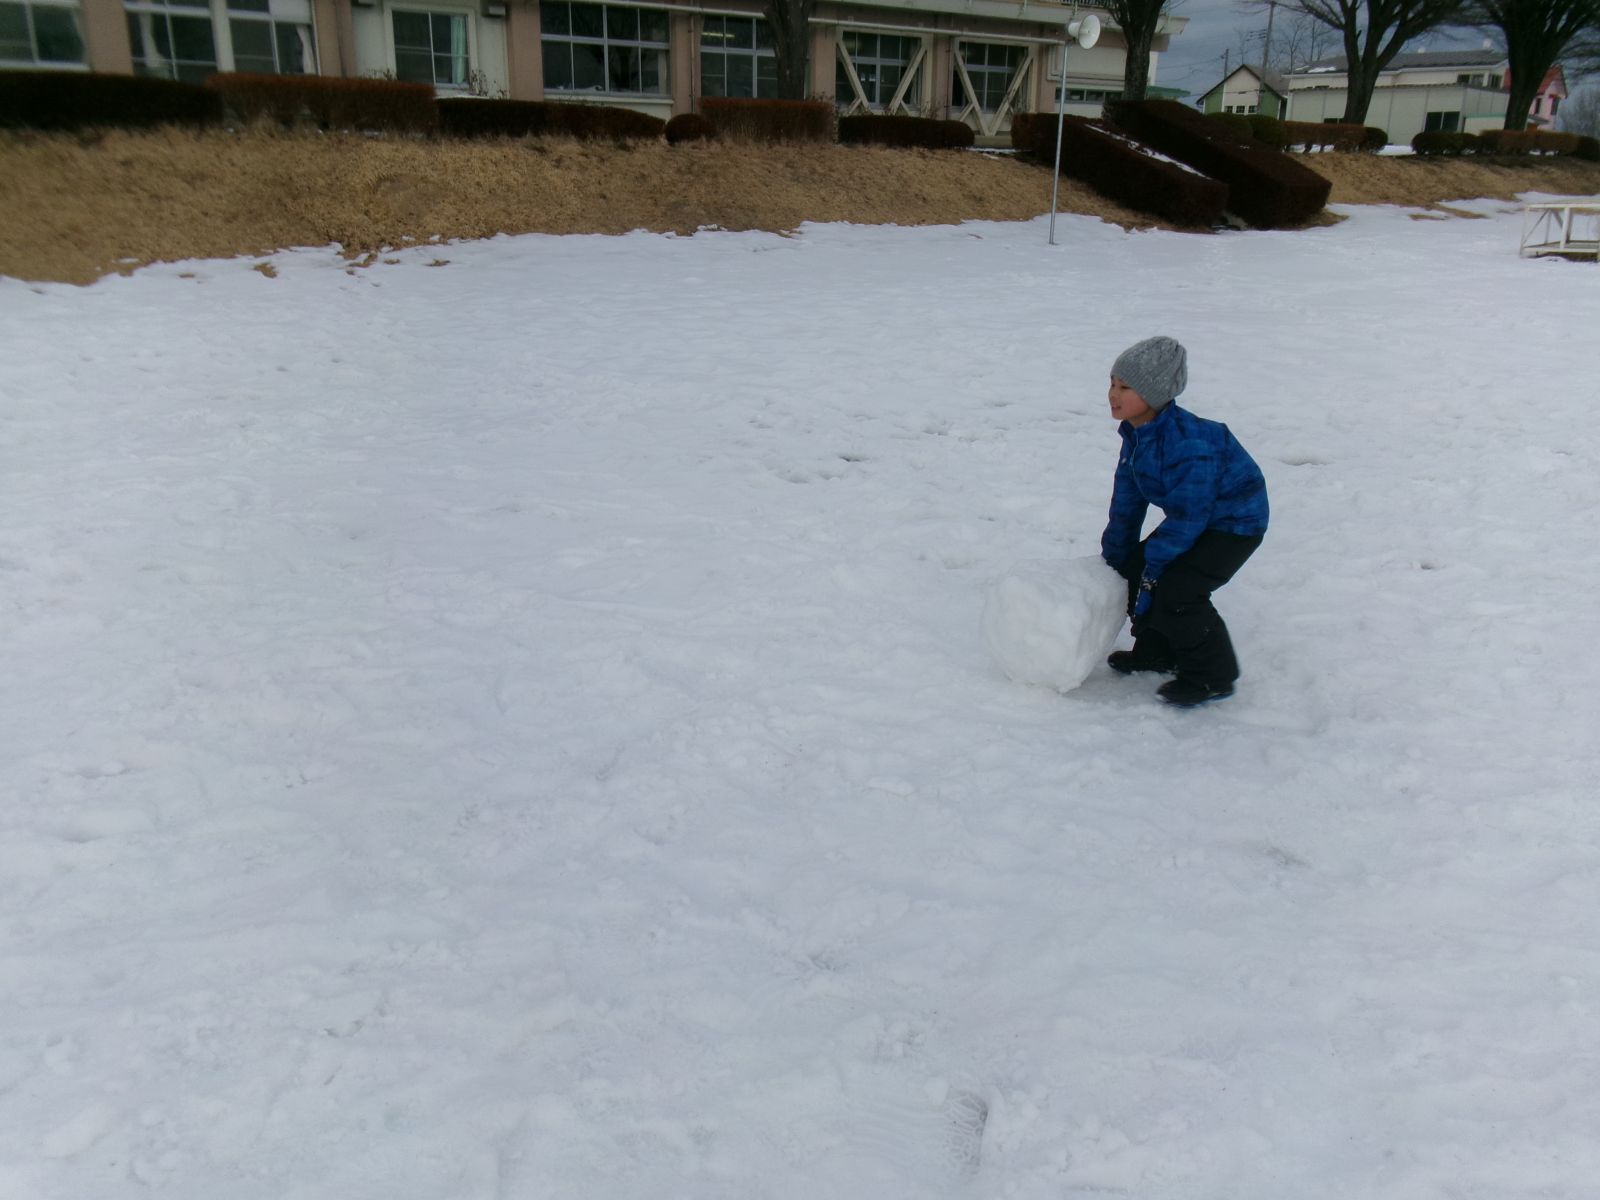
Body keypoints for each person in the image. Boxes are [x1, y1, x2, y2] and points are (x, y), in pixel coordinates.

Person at [1099, 336, 1269, 707]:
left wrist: (1156, 566)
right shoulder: (1137, 435)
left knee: (1179, 591)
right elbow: (1127, 502)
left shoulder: (1191, 443)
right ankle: (1157, 652)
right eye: (1112, 383)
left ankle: (1214, 677)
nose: (1113, 394)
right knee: (1136, 567)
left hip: (1235, 524)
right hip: (1195, 517)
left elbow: (1191, 514)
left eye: (1125, 387)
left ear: (1154, 393)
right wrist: (1116, 556)